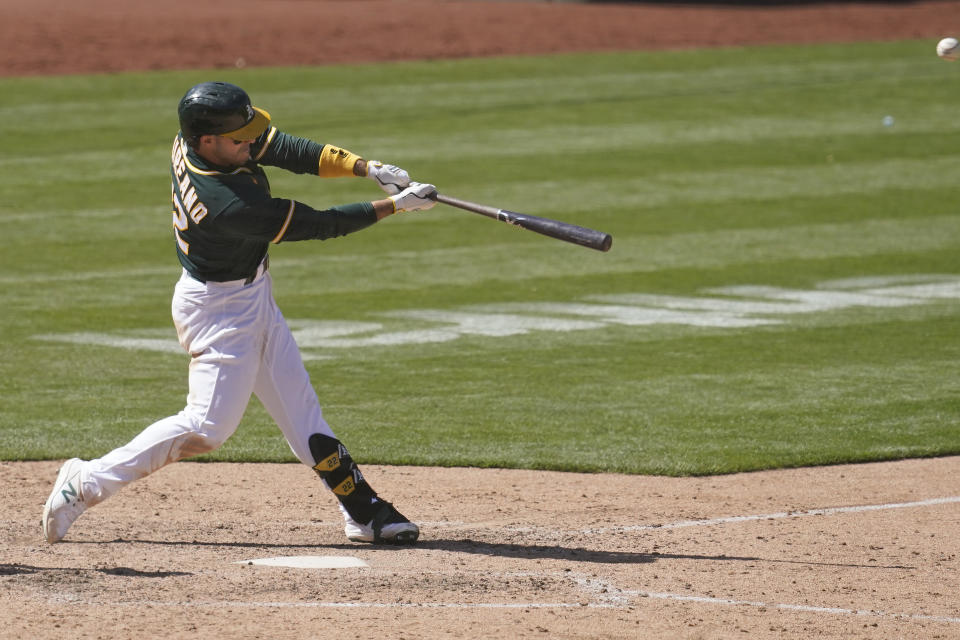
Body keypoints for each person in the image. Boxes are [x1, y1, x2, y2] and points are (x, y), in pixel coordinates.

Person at [41, 81, 438, 545]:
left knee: (302, 413)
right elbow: (318, 223)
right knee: (206, 429)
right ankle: (85, 482)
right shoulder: (225, 204)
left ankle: (363, 510)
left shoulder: (202, 140)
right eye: (239, 138)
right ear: (208, 140)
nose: (250, 143)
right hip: (218, 311)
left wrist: (365, 167)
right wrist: (395, 206)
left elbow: (286, 148)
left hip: (252, 294)